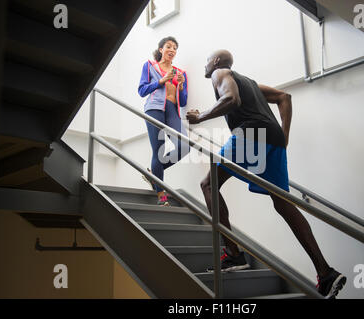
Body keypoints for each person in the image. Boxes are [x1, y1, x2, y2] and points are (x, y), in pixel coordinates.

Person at [186, 50, 346, 298]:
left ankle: (233, 254)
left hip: (250, 134)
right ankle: (325, 272)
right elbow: (285, 97)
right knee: (283, 203)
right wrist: (285, 136)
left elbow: (231, 99)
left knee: (208, 184)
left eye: (207, 60)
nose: (205, 66)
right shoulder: (249, 82)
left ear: (216, 62)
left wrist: (201, 117)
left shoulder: (220, 73)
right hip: (273, 139)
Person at [138, 36, 189, 206]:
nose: (172, 50)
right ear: (161, 49)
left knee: (184, 145)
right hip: (154, 109)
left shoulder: (180, 73)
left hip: (172, 110)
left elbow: (184, 99)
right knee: (158, 151)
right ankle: (161, 195)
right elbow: (142, 90)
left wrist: (181, 86)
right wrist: (161, 80)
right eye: (169, 46)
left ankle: (153, 174)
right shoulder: (150, 66)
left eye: (175, 48)